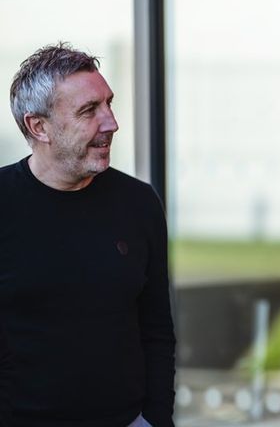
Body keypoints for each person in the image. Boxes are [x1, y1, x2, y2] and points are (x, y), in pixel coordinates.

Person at [0, 43, 175, 426]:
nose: (111, 122)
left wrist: (158, 420)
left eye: (109, 104)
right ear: (38, 127)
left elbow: (157, 332)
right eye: (88, 111)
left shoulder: (139, 204)